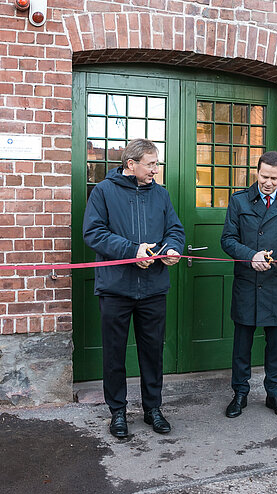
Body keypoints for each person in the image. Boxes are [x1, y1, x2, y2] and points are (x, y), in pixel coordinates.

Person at [83, 139, 185, 438]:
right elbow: (94, 233)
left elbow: (175, 230)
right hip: (115, 288)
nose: (156, 169)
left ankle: (153, 409)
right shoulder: (103, 191)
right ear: (131, 164)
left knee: (152, 353)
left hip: (153, 289)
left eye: (156, 164)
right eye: (151, 164)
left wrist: (172, 250)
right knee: (114, 354)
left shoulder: (162, 195)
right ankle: (117, 412)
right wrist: (132, 251)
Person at [220, 151, 277, 419]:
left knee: (275, 344)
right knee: (242, 344)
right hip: (248, 282)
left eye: (274, 178)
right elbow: (227, 240)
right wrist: (250, 256)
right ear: (256, 173)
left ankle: (274, 392)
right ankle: (240, 393)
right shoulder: (239, 201)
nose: (268, 183)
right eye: (264, 176)